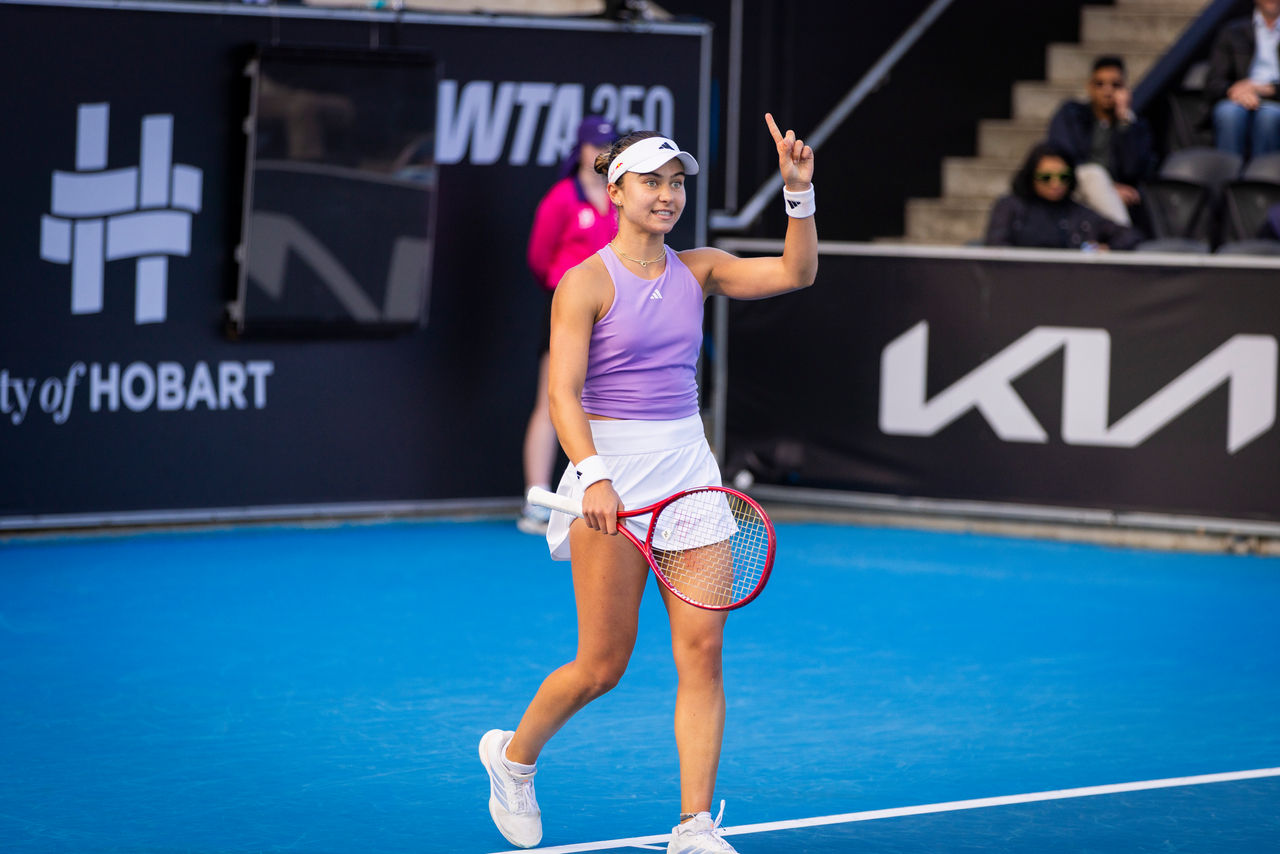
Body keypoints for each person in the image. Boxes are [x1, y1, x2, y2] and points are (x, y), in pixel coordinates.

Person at [479, 114, 817, 853]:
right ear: (616, 190)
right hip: (613, 481)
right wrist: (593, 477)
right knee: (601, 666)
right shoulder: (584, 283)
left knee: (702, 652)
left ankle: (694, 827)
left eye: (676, 184)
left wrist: (799, 195)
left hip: (691, 480)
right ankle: (513, 759)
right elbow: (564, 394)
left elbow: (795, 273)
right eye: (651, 183)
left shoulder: (700, 269)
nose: (667, 196)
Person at [518, 116, 620, 535]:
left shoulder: (621, 199)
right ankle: (537, 499)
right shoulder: (562, 198)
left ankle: (606, 496)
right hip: (568, 309)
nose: (601, 152)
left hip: (615, 311)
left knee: (606, 403)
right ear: (577, 148)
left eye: (608, 146)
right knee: (553, 399)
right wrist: (571, 294)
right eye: (594, 144)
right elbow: (540, 260)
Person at [1047, 56, 1155, 226]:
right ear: (1089, 87)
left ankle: (1118, 238)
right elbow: (1061, 156)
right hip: (1074, 186)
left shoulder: (1135, 126)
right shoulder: (1071, 115)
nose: (1107, 91)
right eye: (1100, 84)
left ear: (1125, 89)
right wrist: (1109, 188)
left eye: (1115, 85)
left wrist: (1124, 122)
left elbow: (1134, 170)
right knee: (1094, 175)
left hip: (1120, 198)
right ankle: (1123, 235)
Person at [984, 141, 1143, 250]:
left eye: (1063, 177)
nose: (1055, 183)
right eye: (1046, 177)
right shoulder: (1010, 207)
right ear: (1031, 176)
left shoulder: (1078, 213)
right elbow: (996, 247)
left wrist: (1108, 249)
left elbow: (1128, 234)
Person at [1205, 0, 1280, 160]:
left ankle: (1262, 179)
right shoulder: (1232, 31)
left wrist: (1267, 89)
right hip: (1238, 97)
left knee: (1270, 117)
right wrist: (1234, 90)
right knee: (1228, 114)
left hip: (1275, 99)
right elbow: (1213, 82)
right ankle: (1227, 179)